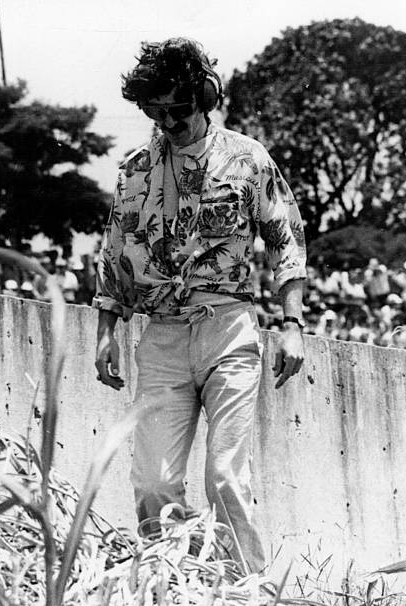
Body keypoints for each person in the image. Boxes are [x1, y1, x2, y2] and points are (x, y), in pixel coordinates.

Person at [92, 37, 307, 576]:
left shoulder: (247, 158)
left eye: (179, 108)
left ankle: (246, 587)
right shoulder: (135, 170)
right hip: (161, 335)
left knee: (225, 477)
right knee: (154, 482)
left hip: (227, 328)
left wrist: (292, 323)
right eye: (155, 111)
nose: (168, 121)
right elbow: (115, 253)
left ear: (204, 97)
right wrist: (105, 332)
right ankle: (183, 581)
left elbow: (286, 239)